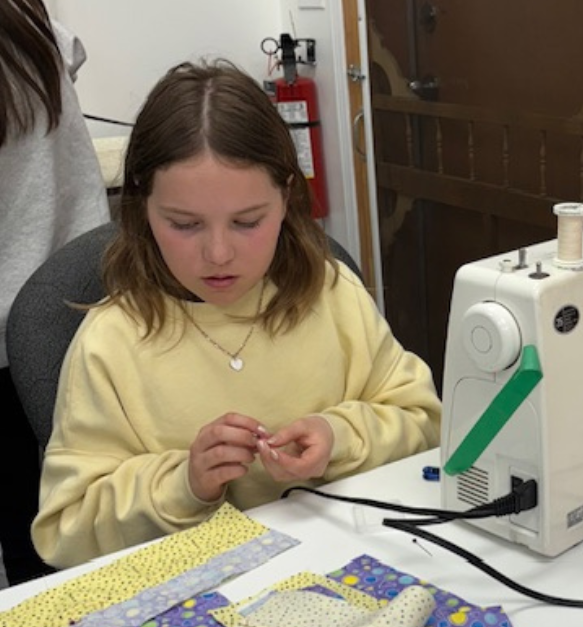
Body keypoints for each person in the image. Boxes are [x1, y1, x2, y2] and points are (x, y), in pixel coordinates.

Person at [31, 59, 442, 570]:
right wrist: (183, 483)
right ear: (142, 206)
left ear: (286, 196)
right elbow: (65, 530)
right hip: (197, 597)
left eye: (247, 222)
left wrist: (339, 437)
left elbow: (425, 422)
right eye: (185, 224)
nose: (219, 254)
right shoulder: (110, 343)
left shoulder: (332, 294)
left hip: (343, 568)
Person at [0, 0, 110, 584]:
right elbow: (74, 53)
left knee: (32, 527)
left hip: (19, 319)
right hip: (79, 289)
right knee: (43, 517)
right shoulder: (28, 20)